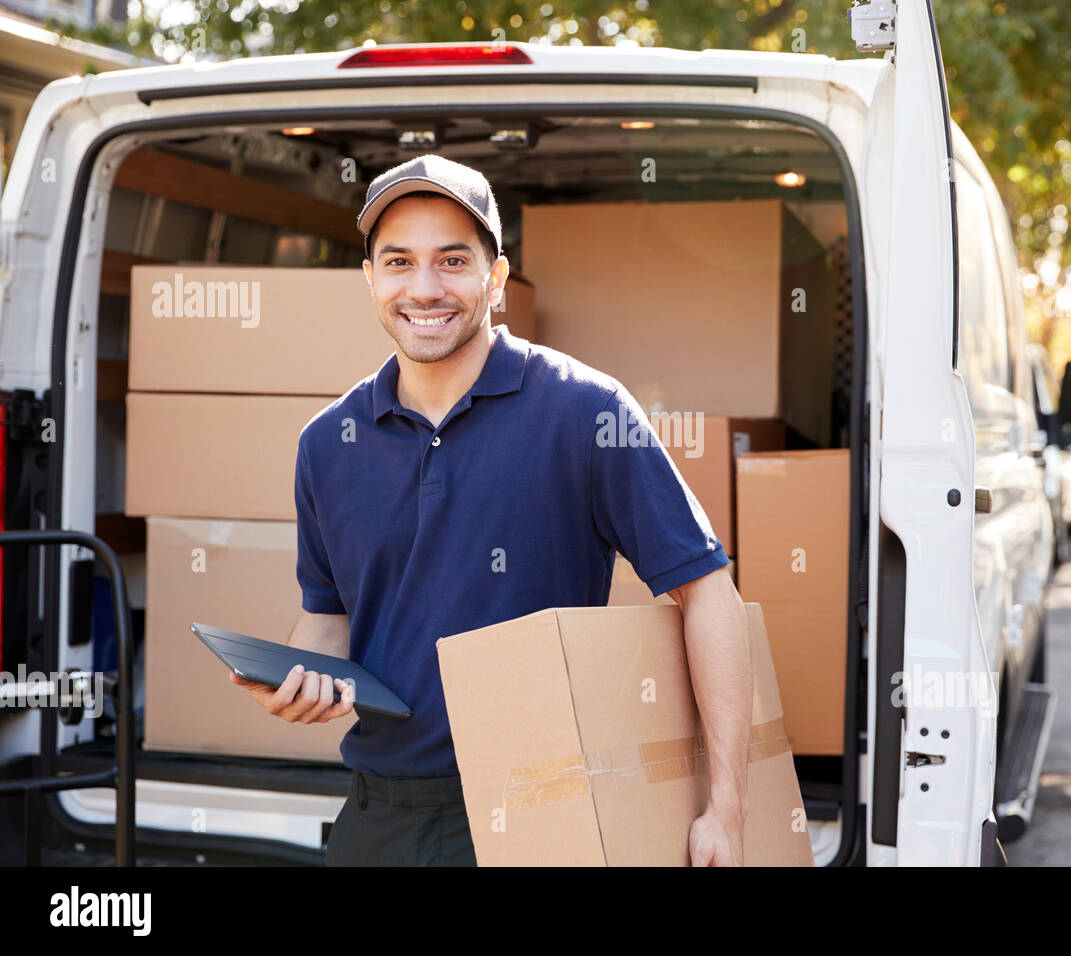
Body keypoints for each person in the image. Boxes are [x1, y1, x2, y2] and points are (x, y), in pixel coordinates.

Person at [230, 154, 752, 867]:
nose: (423, 288)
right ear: (370, 280)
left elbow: (708, 591)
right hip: (381, 812)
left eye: (452, 261)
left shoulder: (585, 412)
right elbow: (329, 616)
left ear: (496, 278)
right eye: (398, 262)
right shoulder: (328, 444)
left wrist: (726, 808)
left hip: (544, 806)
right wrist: (299, 680)